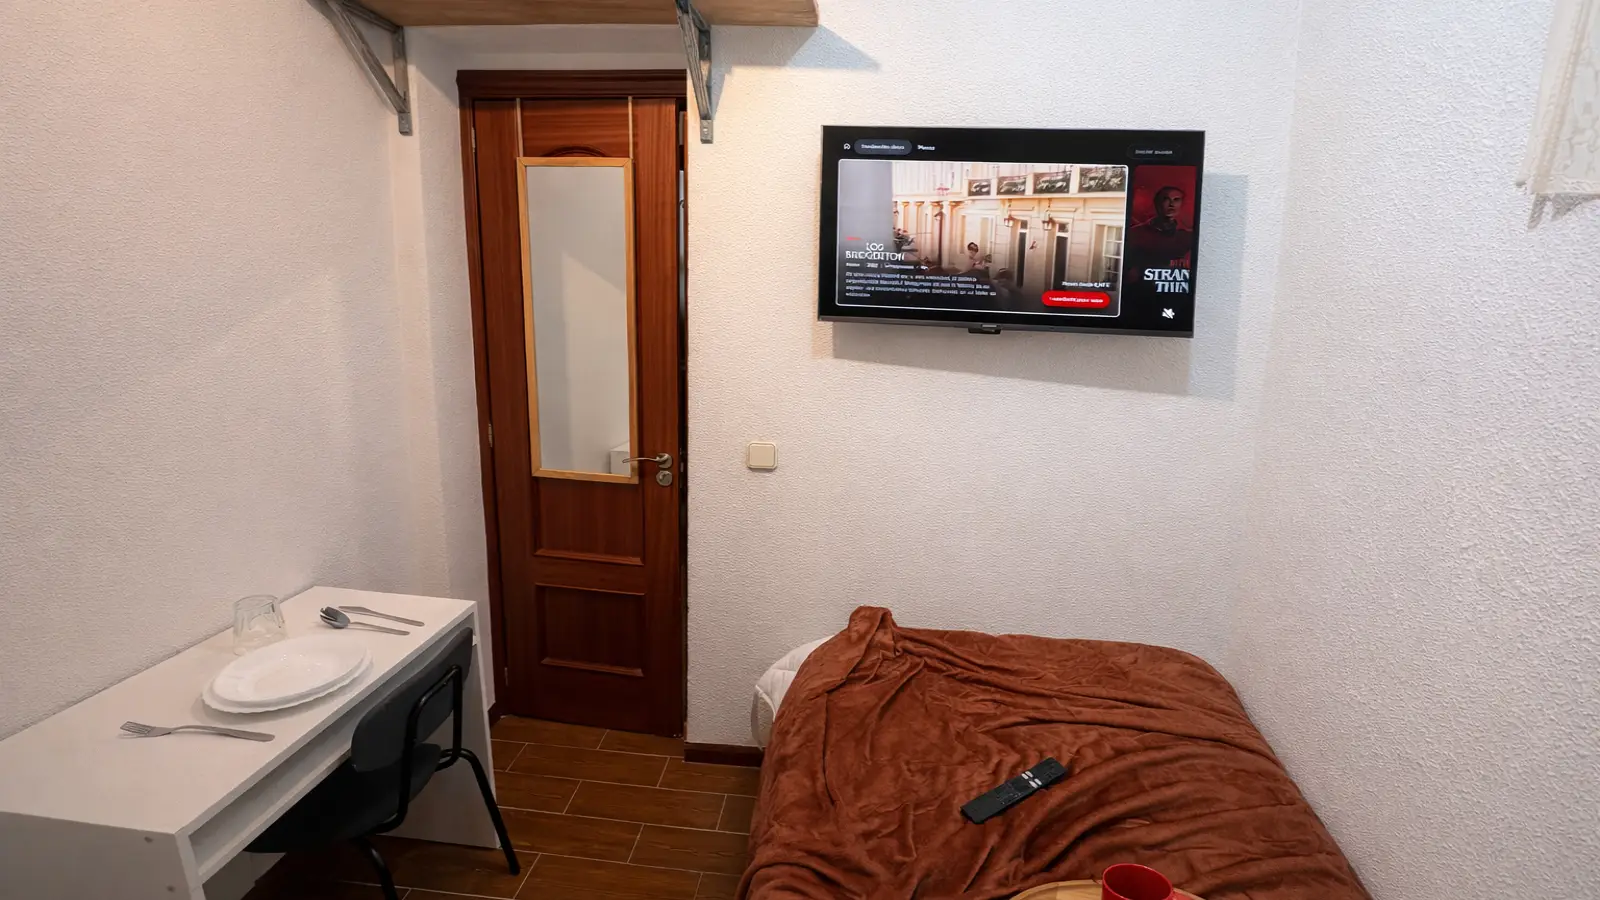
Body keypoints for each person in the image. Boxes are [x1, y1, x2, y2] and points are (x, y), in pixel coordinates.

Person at [1126, 186, 1194, 268]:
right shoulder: (1135, 233)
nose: (1171, 204)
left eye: (1176, 200)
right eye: (1166, 199)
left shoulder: (1189, 236)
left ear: (1182, 204)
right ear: (1157, 203)